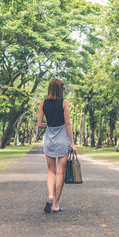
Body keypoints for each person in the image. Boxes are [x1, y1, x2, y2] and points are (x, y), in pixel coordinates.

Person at [37, 78, 76, 213]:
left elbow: (39, 124)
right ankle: (55, 205)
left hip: (49, 139)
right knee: (60, 172)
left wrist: (50, 125)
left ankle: (50, 195)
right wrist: (72, 143)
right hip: (63, 139)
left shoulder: (43, 103)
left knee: (51, 172)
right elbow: (68, 124)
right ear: (61, 89)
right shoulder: (64, 103)